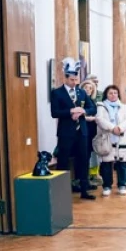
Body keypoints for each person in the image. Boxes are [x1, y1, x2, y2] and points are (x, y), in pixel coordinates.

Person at [50, 57, 96, 200]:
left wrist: (83, 111)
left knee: (83, 160)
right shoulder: (57, 93)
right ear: (65, 78)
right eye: (71, 80)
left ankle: (84, 190)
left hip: (81, 132)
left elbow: (92, 108)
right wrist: (71, 111)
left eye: (76, 80)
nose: (74, 82)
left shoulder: (81, 92)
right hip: (66, 133)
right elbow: (54, 112)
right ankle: (61, 192)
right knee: (63, 161)